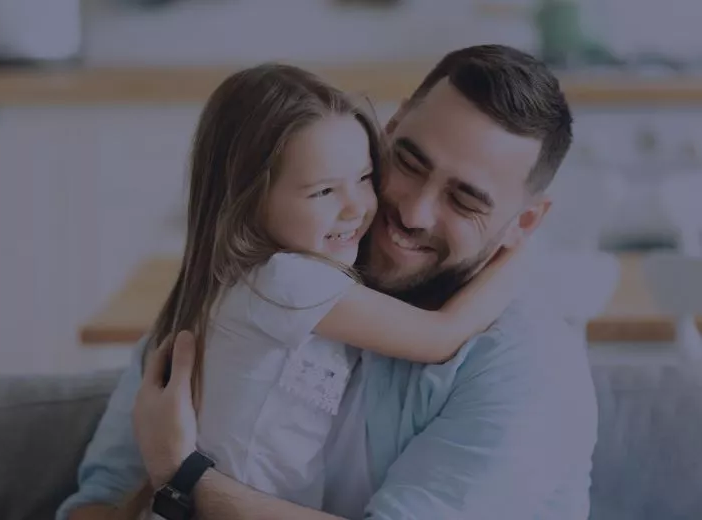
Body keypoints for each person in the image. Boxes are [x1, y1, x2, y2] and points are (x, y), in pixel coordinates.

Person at [58, 44, 598, 520]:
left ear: (524, 223)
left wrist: (183, 476)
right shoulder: (265, 272)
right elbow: (99, 501)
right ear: (387, 131)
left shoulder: (526, 364)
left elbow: (442, 336)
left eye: (463, 199)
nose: (411, 211)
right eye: (407, 162)